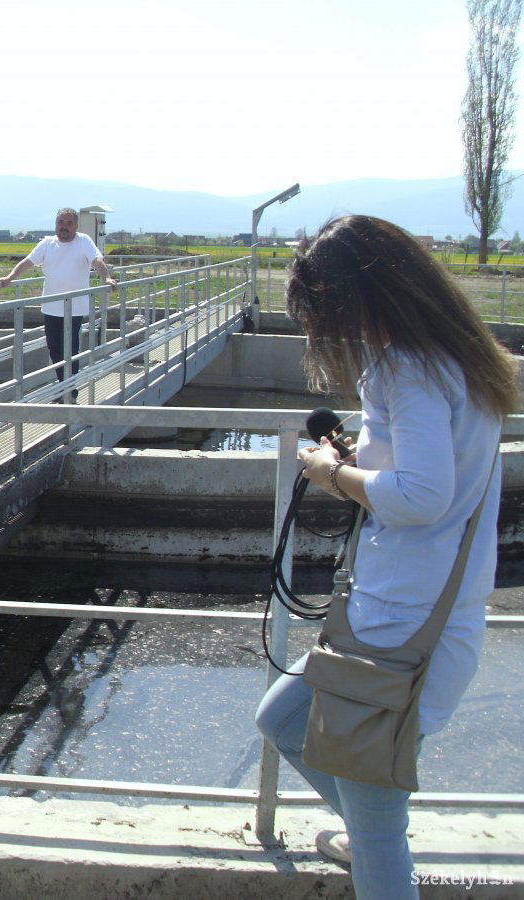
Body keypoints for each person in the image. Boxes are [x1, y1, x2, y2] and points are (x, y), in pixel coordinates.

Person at [254, 215, 517, 899]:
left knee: (378, 836)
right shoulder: (458, 357)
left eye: (335, 315)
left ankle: (378, 848)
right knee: (282, 719)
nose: (339, 334)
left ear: (366, 299)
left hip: (398, 628)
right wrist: (357, 462)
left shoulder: (407, 368)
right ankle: (375, 838)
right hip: (416, 613)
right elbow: (427, 472)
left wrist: (329, 473)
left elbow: (423, 496)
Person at [0, 208, 117, 399]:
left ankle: (68, 389)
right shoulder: (47, 244)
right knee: (54, 347)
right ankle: (65, 386)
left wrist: (107, 278)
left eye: (69, 223)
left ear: (76, 226)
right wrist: (10, 277)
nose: (64, 226)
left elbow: (97, 261)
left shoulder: (83, 241)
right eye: (61, 222)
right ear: (56, 224)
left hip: (74, 307)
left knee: (70, 348)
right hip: (51, 306)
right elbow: (28, 262)